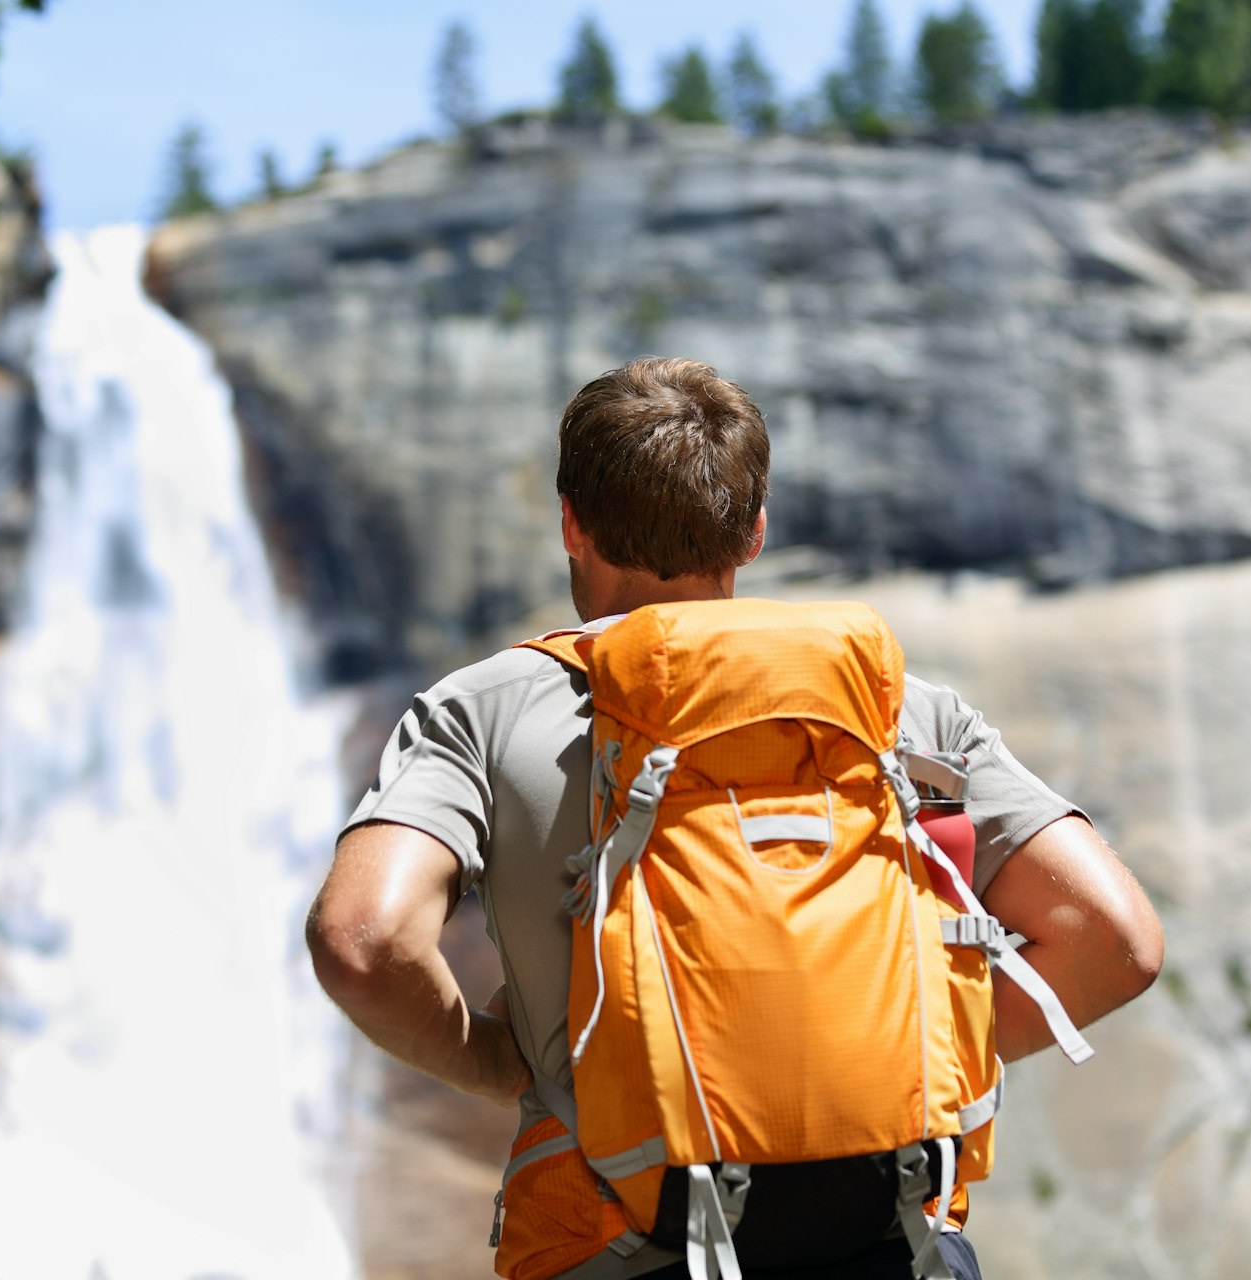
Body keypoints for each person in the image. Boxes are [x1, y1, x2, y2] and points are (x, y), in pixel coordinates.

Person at [306, 357, 1163, 1279]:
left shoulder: (488, 708)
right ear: (753, 533)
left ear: (571, 522)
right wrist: (899, 1063)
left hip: (622, 1248)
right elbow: (1113, 939)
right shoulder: (898, 710)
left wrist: (493, 1062)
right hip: (889, 1245)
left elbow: (362, 940)